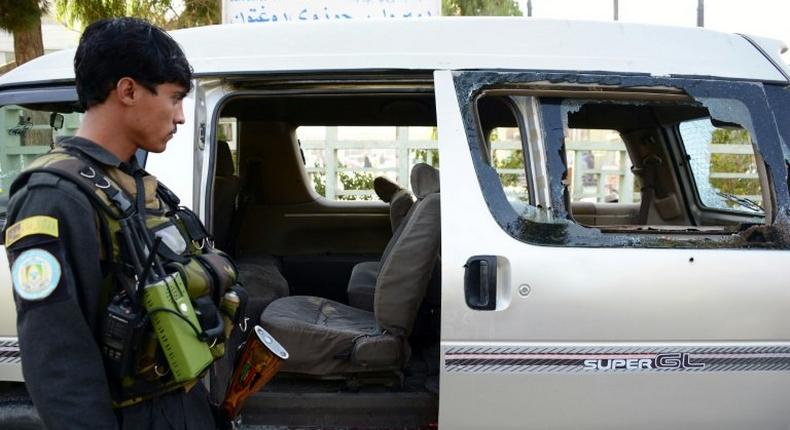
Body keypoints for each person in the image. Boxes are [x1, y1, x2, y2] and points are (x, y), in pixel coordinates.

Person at [4, 18, 234, 429]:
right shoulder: (53, 197)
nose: (181, 116)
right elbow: (58, 358)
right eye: (174, 98)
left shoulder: (136, 185)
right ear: (128, 90)